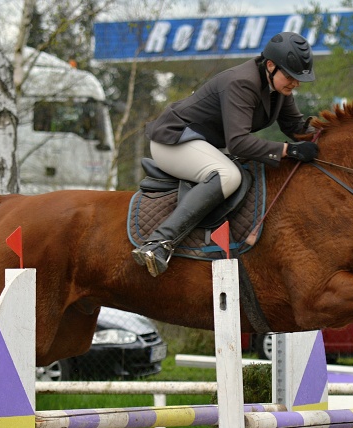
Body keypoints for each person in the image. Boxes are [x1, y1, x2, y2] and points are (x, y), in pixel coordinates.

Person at [132, 31, 320, 277]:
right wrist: (288, 150)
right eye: (291, 76)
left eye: (299, 78)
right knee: (229, 175)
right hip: (173, 141)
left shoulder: (276, 88)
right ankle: (158, 243)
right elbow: (239, 143)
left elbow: (296, 127)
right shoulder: (242, 82)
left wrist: (333, 134)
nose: (295, 83)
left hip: (201, 143)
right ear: (271, 65)